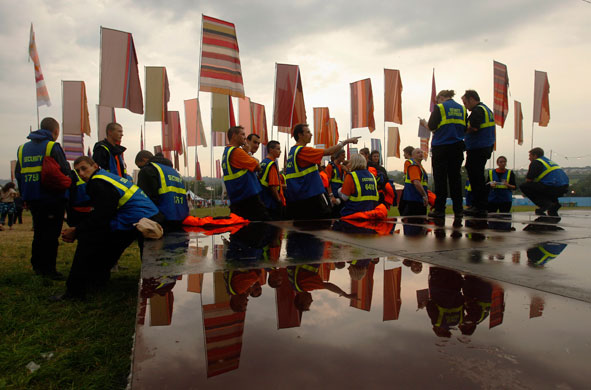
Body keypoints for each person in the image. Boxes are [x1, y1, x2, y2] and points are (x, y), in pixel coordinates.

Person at [58, 156, 161, 300]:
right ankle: (96, 281)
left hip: (137, 219)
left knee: (88, 241)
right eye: (77, 171)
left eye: (84, 168)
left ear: (94, 166)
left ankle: (74, 291)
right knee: (108, 245)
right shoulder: (105, 177)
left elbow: (102, 215)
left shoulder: (97, 182)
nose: (81, 174)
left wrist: (77, 230)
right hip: (146, 217)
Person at [15, 117, 71, 279]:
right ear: (55, 132)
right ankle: (49, 269)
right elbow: (65, 170)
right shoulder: (52, 146)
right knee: (51, 234)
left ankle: (37, 265)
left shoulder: (22, 149)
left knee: (39, 231)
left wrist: (25, 194)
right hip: (52, 197)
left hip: (32, 197)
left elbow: (19, 175)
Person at [285, 123, 359, 220]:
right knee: (323, 221)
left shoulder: (292, 152)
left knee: (301, 227)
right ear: (300, 135)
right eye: (308, 132)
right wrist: (346, 141)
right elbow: (329, 151)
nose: (311, 134)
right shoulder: (303, 151)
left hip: (298, 196)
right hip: (311, 196)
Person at [421, 90, 466, 218]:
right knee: (455, 179)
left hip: (441, 146)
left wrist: (424, 124)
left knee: (440, 179)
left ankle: (440, 209)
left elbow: (431, 126)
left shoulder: (440, 107)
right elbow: (464, 127)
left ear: (441, 97)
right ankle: (458, 209)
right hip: (457, 147)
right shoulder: (462, 109)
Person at [222, 126, 269, 221]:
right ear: (234, 136)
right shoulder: (237, 151)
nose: (245, 137)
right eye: (242, 134)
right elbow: (257, 166)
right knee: (262, 224)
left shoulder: (227, 152)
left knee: (240, 227)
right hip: (248, 196)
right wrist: (248, 153)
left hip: (236, 197)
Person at [461, 90, 496, 217]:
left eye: (465, 103)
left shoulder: (478, 110)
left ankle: (479, 206)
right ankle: (479, 205)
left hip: (478, 147)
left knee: (476, 177)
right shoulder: (486, 110)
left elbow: (473, 127)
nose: (465, 106)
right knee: (477, 175)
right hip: (484, 146)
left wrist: (461, 130)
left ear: (471, 99)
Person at [135, 150, 189, 229]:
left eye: (140, 166)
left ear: (144, 160)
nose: (141, 169)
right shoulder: (173, 171)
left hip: (161, 221)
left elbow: (145, 199)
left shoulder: (147, 170)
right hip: (181, 218)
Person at [520, 147, 569, 216]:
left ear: (535, 155)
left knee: (525, 186)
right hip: (564, 188)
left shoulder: (536, 162)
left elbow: (529, 180)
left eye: (530, 156)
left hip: (552, 187)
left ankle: (545, 205)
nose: (529, 158)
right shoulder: (548, 161)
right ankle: (555, 204)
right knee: (543, 187)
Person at [258, 140, 285, 220]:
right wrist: (279, 200)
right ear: (270, 150)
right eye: (278, 149)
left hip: (263, 199)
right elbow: (272, 186)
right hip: (270, 202)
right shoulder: (271, 164)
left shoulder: (263, 163)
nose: (280, 151)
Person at [401, 148, 429, 216]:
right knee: (415, 221)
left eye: (421, 152)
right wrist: (424, 196)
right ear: (413, 156)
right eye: (418, 153)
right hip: (414, 199)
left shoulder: (420, 167)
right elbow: (416, 182)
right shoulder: (414, 166)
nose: (421, 154)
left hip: (417, 198)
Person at [325, 149, 346, 216]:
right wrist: (331, 196)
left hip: (341, 196)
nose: (344, 157)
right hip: (334, 197)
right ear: (337, 155)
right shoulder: (330, 166)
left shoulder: (342, 167)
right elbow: (327, 183)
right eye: (342, 155)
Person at [398, 145, 416, 215]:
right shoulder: (416, 162)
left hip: (409, 188)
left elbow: (406, 173)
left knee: (403, 208)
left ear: (408, 153)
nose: (403, 155)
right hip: (415, 188)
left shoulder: (408, 162)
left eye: (404, 153)